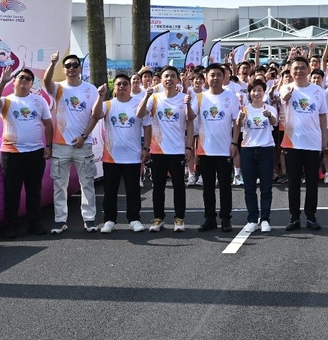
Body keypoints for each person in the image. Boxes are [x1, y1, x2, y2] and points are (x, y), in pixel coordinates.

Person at [0, 68, 53, 238]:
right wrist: (2, 81)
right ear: (14, 81)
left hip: (35, 152)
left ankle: (34, 223)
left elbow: (48, 124)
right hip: (12, 153)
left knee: (34, 190)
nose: (25, 80)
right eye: (21, 77)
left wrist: (49, 146)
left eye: (28, 79)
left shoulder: (39, 101)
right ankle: (12, 225)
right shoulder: (7, 101)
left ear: (32, 83)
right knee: (12, 191)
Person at [44, 52, 101, 234]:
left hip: (82, 144)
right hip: (61, 144)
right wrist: (52, 63)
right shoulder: (59, 88)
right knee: (60, 185)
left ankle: (89, 219)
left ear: (79, 68)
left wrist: (84, 136)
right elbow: (46, 82)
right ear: (63, 69)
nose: (71, 68)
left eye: (75, 65)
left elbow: (95, 115)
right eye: (67, 66)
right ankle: (60, 220)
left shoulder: (90, 89)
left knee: (87, 183)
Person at [137, 66, 195, 232]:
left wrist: (189, 146)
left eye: (172, 76)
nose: (169, 79)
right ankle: (158, 218)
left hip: (177, 150)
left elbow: (190, 123)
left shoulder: (184, 98)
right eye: (166, 76)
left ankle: (179, 218)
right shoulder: (154, 97)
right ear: (161, 80)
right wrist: (146, 95)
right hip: (158, 150)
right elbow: (140, 114)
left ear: (178, 80)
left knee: (178, 186)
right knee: (158, 186)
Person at [281, 56, 328, 231]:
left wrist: (324, 138)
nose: (299, 71)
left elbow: (323, 116)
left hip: (313, 142)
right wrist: (287, 94)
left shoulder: (318, 91)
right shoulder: (286, 87)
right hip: (292, 143)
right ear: (291, 71)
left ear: (308, 70)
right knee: (293, 182)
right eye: (296, 68)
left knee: (312, 182)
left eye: (302, 67)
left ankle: (310, 216)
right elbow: (283, 99)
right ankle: (294, 217)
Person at [192, 63, 240, 232]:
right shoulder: (199, 97)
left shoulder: (231, 97)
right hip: (205, 150)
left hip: (225, 149)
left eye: (219, 75)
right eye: (212, 75)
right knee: (208, 187)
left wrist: (234, 143)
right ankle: (210, 218)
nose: (215, 78)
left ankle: (226, 219)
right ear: (206, 77)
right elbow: (189, 117)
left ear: (224, 77)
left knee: (225, 186)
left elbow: (236, 122)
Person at [98, 74, 145, 232]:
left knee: (133, 190)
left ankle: (134, 219)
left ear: (130, 87)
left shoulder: (139, 104)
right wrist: (100, 96)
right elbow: (95, 114)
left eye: (125, 83)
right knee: (110, 190)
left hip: (132, 156)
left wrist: (146, 149)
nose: (122, 86)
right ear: (114, 88)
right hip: (111, 156)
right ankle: (109, 220)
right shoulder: (108, 104)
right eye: (118, 84)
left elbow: (148, 126)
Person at [238, 78, 278, 232]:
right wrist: (239, 119)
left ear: (264, 92)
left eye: (259, 90)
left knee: (266, 188)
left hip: (266, 150)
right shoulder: (244, 109)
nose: (257, 93)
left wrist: (269, 115)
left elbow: (275, 123)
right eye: (254, 90)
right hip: (248, 150)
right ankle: (252, 219)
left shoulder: (269, 108)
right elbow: (239, 125)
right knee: (249, 188)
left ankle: (265, 219)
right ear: (250, 93)